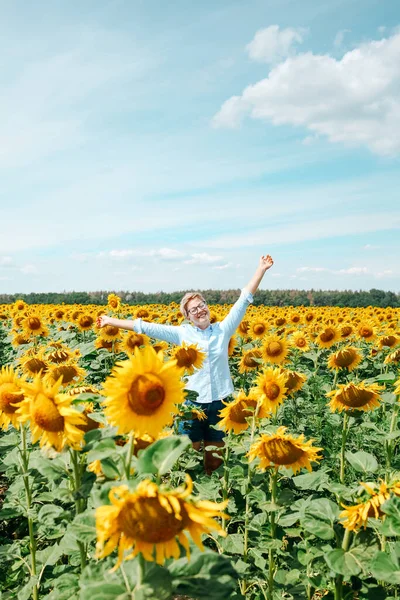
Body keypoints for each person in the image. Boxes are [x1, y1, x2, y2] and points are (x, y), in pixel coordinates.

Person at [96, 254, 274, 473]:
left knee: (215, 459)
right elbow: (145, 327)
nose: (200, 310)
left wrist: (261, 269)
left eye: (202, 305)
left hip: (221, 403)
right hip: (192, 404)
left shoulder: (223, 330)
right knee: (188, 456)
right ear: (188, 317)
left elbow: (243, 299)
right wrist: (109, 321)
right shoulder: (182, 334)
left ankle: (215, 498)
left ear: (208, 308)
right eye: (194, 309)